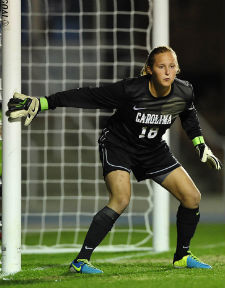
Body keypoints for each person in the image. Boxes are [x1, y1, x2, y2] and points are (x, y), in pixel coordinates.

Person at [7, 46, 222, 274]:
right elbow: (88, 95)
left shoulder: (184, 91)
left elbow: (189, 116)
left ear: (177, 69)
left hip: (153, 150)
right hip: (118, 145)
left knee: (192, 197)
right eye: (161, 66)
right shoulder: (131, 89)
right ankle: (81, 262)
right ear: (149, 70)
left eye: (172, 66)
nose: (167, 72)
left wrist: (200, 145)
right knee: (121, 199)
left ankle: (182, 256)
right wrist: (43, 103)